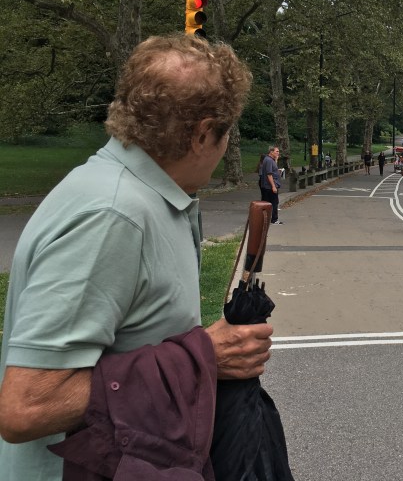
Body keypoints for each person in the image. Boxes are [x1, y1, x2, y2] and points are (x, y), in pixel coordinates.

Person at [0, 34, 274, 479]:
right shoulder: (112, 216)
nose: (226, 147)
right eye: (227, 133)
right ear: (204, 134)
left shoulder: (152, 198)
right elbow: (28, 406)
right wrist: (203, 357)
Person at [260, 145, 283, 224]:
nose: (278, 153)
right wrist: (273, 186)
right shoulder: (269, 160)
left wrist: (276, 160)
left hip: (268, 185)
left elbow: (273, 169)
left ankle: (265, 219)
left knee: (268, 202)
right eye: (277, 151)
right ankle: (274, 219)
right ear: (271, 152)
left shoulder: (270, 160)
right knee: (274, 202)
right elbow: (269, 174)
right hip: (269, 186)